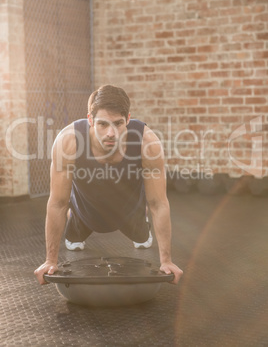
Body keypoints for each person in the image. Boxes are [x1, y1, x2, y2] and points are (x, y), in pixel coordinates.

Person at [34, 85, 183, 285]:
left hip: (130, 213)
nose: (111, 133)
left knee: (143, 240)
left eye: (118, 123)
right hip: (84, 213)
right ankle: (75, 221)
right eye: (102, 124)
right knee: (73, 242)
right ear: (90, 120)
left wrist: (167, 261)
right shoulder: (68, 142)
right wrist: (49, 261)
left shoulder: (148, 143)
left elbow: (158, 203)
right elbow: (57, 203)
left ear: (128, 119)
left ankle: (141, 224)